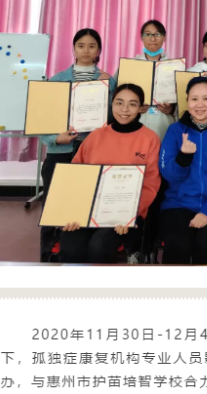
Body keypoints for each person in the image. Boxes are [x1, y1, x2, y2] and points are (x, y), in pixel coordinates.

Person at [58, 84, 161, 264]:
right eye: (119, 103)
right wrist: (72, 212)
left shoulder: (150, 139)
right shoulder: (95, 136)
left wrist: (130, 215)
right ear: (111, 105)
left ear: (140, 108)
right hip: (88, 208)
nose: (124, 109)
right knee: (71, 245)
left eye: (132, 104)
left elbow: (150, 184)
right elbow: (74, 176)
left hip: (125, 212)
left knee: (99, 246)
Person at [38, 28, 116, 260]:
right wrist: (55, 138)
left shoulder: (108, 80)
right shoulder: (57, 80)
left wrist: (108, 88)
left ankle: (80, 249)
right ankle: (48, 251)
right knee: (54, 202)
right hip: (61, 150)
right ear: (73, 48)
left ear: (99, 50)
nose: (86, 50)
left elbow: (116, 118)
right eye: (81, 45)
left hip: (94, 151)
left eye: (92, 46)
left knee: (88, 200)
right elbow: (42, 119)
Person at [157, 77, 207, 265]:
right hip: (177, 204)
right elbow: (168, 174)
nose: (200, 104)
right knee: (177, 244)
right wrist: (183, 158)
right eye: (194, 99)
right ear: (187, 101)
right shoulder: (174, 131)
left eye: (206, 98)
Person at [122, 19, 177, 142]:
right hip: (136, 121)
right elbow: (118, 96)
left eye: (157, 34)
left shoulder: (175, 66)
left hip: (164, 123)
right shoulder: (130, 65)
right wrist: (133, 107)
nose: (152, 38)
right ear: (141, 38)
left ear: (164, 38)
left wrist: (172, 110)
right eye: (148, 34)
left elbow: (184, 98)